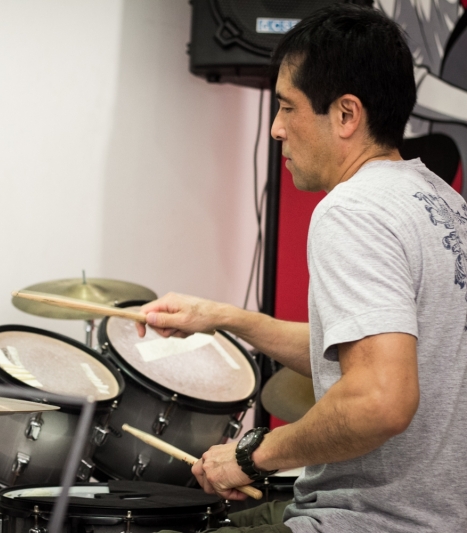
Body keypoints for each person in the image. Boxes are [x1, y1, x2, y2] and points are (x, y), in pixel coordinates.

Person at [139, 4, 467, 532]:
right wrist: (224, 317)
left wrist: (250, 455)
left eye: (288, 107)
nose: (275, 129)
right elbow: (367, 356)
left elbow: (382, 399)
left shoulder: (353, 209)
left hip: (365, 520)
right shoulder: (442, 202)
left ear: (345, 115)